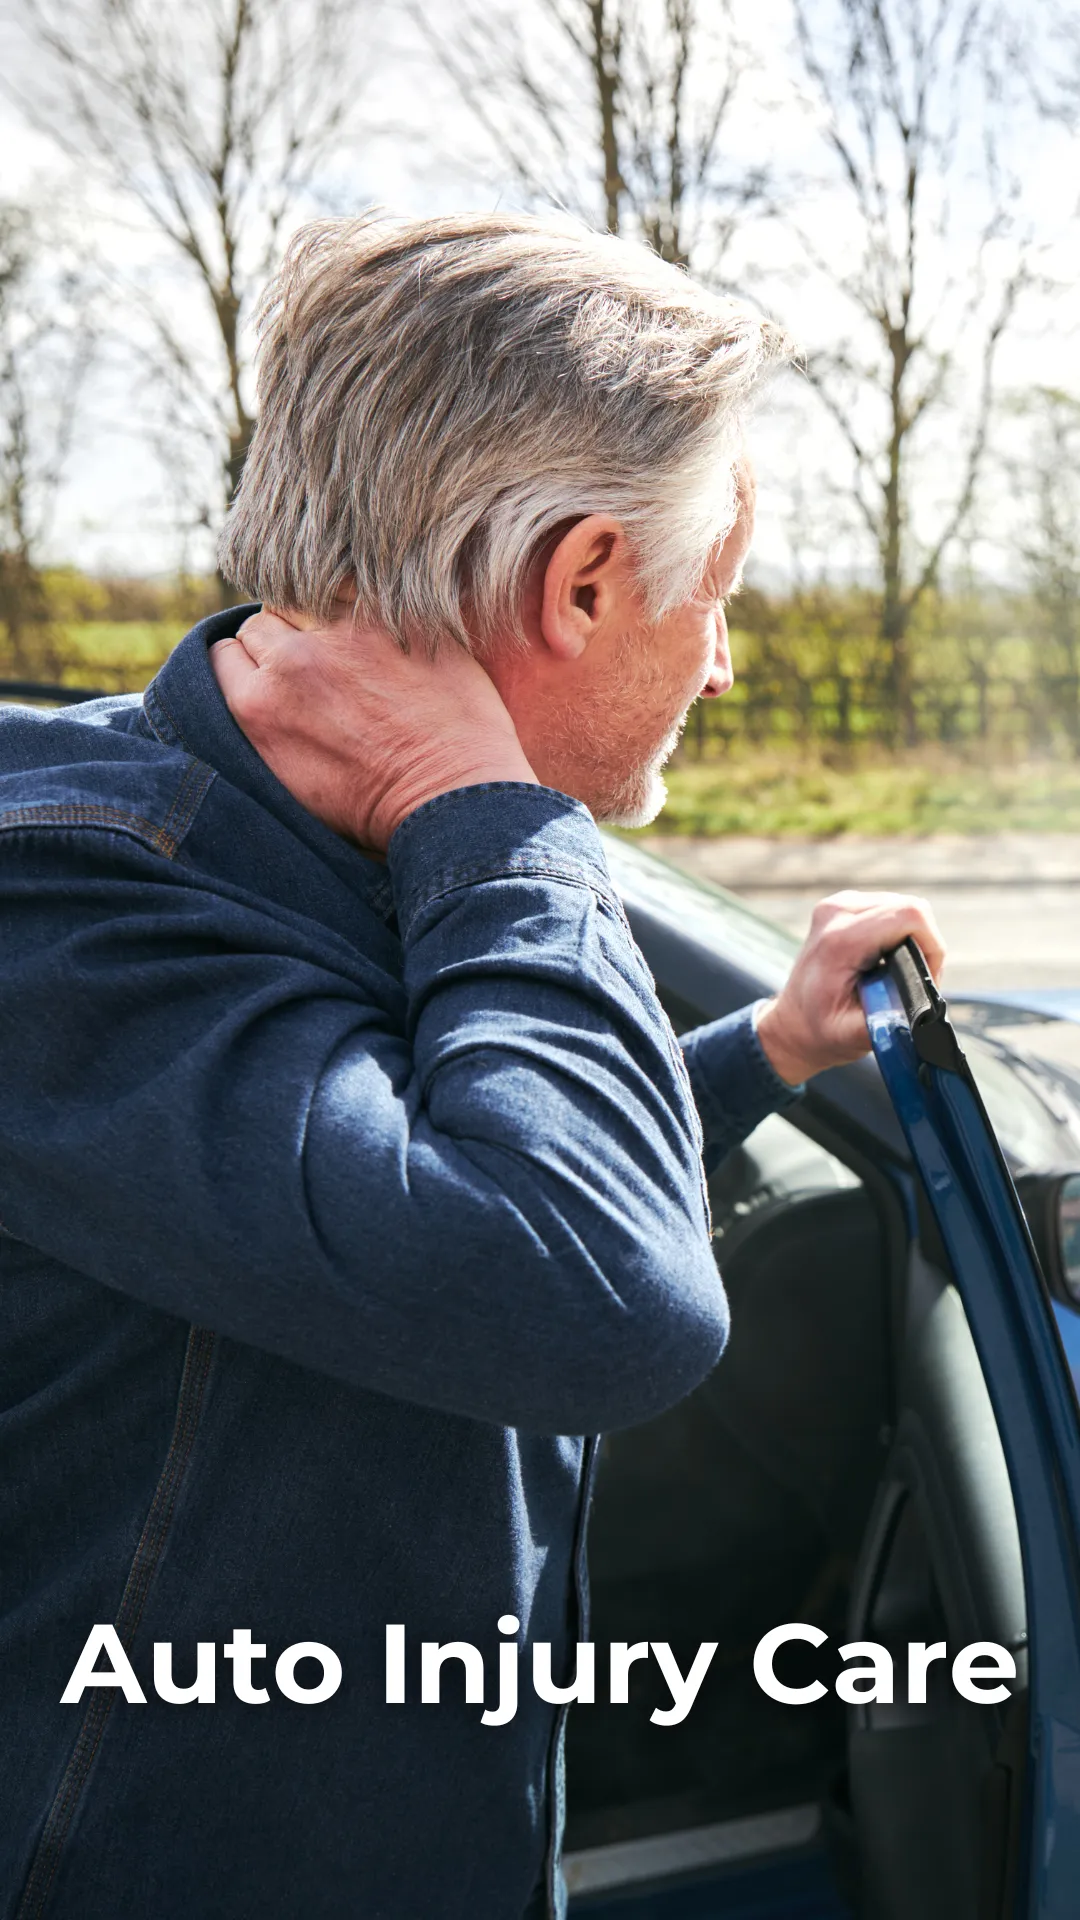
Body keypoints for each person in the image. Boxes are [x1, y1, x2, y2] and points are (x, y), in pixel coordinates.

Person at [0, 211, 944, 1920]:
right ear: (579, 581)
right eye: (712, 596)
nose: (722, 664)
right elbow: (590, 1284)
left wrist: (756, 1052)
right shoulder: (68, 903)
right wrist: (493, 813)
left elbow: (401, 1166)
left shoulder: (279, 849)